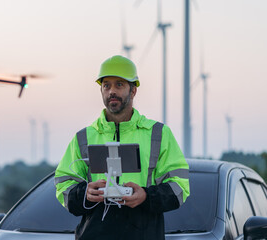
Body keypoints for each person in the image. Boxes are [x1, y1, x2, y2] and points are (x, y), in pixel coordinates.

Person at [54, 55, 190, 240]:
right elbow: (63, 185)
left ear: (133, 91)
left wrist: (146, 196)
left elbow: (179, 187)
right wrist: (85, 193)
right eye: (106, 85)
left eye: (119, 85)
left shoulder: (159, 134)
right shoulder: (84, 137)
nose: (112, 91)